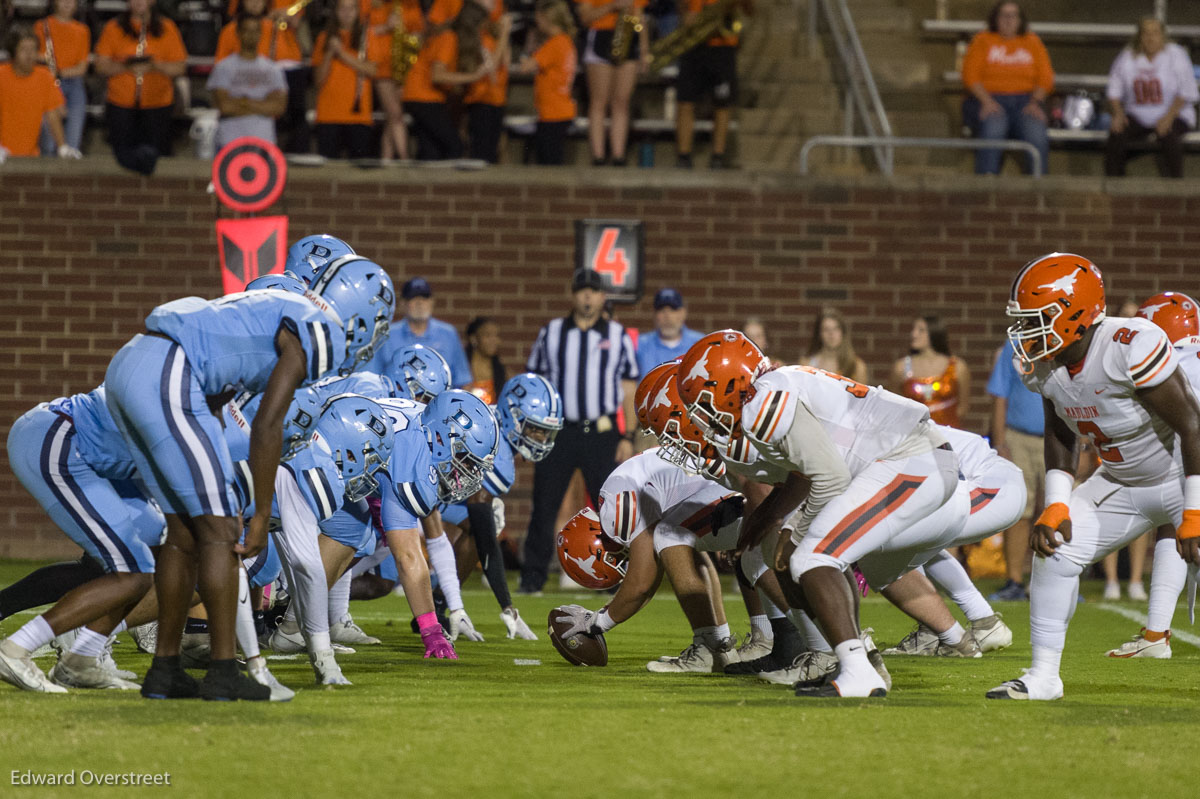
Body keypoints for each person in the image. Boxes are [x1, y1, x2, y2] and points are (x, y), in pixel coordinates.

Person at [677, 331, 966, 698]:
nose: (701, 419)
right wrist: (771, 515)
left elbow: (830, 476)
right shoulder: (773, 388)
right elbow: (806, 470)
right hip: (906, 461)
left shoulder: (763, 401)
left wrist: (791, 534)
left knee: (809, 555)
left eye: (702, 403)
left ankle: (858, 670)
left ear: (729, 383)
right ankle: (855, 662)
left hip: (912, 460)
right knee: (801, 555)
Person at [987, 253, 1198, 701]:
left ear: (1074, 313)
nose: (1026, 333)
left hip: (1182, 476)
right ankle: (1044, 676)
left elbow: (1193, 426)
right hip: (1123, 481)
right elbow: (1061, 433)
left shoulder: (1129, 343)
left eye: (1036, 319)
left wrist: (1194, 509)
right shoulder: (1044, 366)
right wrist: (1058, 503)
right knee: (1054, 549)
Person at [0, 386, 163, 693]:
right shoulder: (190, 388)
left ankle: (81, 655)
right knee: (133, 567)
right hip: (63, 439)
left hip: (102, 456)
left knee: (132, 555)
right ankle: (17, 649)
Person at [520, 268, 639, 593]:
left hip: (601, 434)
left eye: (594, 291)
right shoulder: (552, 332)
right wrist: (534, 430)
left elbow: (629, 389)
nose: (588, 296)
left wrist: (627, 436)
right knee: (544, 504)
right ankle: (532, 578)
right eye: (582, 290)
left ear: (603, 297)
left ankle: (614, 575)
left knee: (610, 507)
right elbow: (536, 385)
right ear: (573, 295)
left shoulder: (617, 336)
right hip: (559, 432)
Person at [93, 0, 187, 175]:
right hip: (121, 104)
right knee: (122, 155)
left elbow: (179, 67)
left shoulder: (167, 27)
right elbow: (100, 66)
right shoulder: (114, 27)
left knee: (158, 158)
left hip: (157, 104)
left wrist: (154, 66)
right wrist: (127, 66)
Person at [961, 1, 1052, 175]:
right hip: (990, 98)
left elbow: (1046, 78)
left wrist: (1035, 102)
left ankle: (1038, 190)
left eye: (1013, 15)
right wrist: (986, 101)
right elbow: (970, 76)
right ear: (996, 19)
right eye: (1004, 15)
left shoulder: (1032, 41)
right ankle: (986, 185)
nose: (1009, 20)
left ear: (1020, 20)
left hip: (1026, 101)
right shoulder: (982, 40)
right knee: (993, 130)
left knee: (1037, 135)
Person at [1104, 16, 1199, 179]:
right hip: (1138, 114)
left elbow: (1187, 90)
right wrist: (1118, 114)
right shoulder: (1127, 57)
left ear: (1162, 36)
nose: (1150, 38)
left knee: (1169, 135)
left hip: (1174, 113)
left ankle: (1177, 189)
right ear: (1139, 36)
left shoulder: (1175, 55)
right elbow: (1114, 89)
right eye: (1146, 33)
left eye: (1155, 33)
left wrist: (1169, 117)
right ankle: (1116, 190)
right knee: (1116, 135)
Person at [985, 339, 1043, 601]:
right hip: (1018, 436)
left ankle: (1051, 582)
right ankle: (1015, 581)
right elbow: (1000, 393)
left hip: (1059, 436)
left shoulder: (1067, 340)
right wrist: (999, 442)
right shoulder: (1015, 344)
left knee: (1057, 509)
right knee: (1020, 511)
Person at [214, 0, 307, 153]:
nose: (256, 3)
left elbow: (279, 106)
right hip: (236, 123)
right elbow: (221, 80)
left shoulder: (280, 27)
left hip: (271, 105)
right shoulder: (230, 31)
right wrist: (257, 105)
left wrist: (246, 103)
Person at [674, 0, 750, 169]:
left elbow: (748, 10)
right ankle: (683, 157)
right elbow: (682, 8)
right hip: (694, 45)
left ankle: (717, 157)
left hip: (723, 47)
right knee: (685, 101)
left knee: (723, 104)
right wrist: (688, 14)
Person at [575, 0, 648, 165]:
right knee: (599, 101)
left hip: (629, 37)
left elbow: (639, 18)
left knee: (621, 102)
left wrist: (644, 49)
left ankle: (618, 156)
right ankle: (598, 156)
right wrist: (612, 6)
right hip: (600, 37)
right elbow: (585, 17)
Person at [312, 0, 384, 159]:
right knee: (328, 170)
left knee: (358, 176)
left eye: (351, 8)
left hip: (358, 116)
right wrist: (330, 53)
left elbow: (372, 70)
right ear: (335, 12)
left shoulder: (368, 36)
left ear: (358, 12)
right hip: (328, 115)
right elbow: (318, 81)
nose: (347, 13)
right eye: (342, 8)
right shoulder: (324, 38)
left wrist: (342, 53)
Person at [371, 277, 473, 388]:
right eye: (413, 298)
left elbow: (463, 380)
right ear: (403, 303)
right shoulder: (386, 334)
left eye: (424, 298)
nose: (419, 303)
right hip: (397, 402)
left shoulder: (448, 334)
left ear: (432, 302)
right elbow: (373, 378)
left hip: (440, 402)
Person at [206, 12, 288, 150]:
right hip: (229, 140)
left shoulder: (272, 69)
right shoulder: (224, 67)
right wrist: (262, 104)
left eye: (255, 31)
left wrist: (242, 101)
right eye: (246, 30)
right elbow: (225, 107)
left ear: (261, 33)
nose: (251, 36)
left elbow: (278, 107)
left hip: (263, 140)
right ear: (238, 33)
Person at [512, 0, 577, 165]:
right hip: (561, 109)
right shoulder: (566, 42)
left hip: (552, 113)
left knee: (549, 163)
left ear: (548, 19)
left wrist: (530, 46)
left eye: (539, 19)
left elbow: (525, 67)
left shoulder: (554, 44)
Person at [0, 26, 75, 161]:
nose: (29, 55)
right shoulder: (1, 75)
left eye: (33, 50)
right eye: (23, 49)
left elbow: (53, 113)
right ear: (13, 52)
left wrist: (62, 147)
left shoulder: (44, 76)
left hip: (31, 155)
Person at [891, 315, 970, 428]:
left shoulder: (958, 367)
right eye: (913, 329)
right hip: (913, 437)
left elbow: (963, 407)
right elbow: (894, 404)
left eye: (921, 330)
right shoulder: (900, 367)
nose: (914, 334)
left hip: (948, 434)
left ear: (935, 333)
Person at [35, 0, 90, 156]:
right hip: (48, 83)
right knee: (48, 140)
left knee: (73, 140)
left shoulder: (82, 30)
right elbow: (35, 54)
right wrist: (47, 66)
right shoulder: (41, 26)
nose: (67, 3)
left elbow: (82, 67)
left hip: (73, 85)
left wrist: (59, 72)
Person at [463, 5, 510, 163]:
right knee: (481, 153)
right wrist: (504, 33)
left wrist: (503, 36)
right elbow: (493, 64)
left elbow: (505, 62)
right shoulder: (477, 39)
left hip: (497, 98)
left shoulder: (491, 37)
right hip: (481, 99)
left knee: (492, 152)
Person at [635, 287, 703, 376]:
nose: (667, 316)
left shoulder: (699, 344)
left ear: (683, 313)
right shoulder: (639, 345)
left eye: (673, 310)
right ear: (654, 314)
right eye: (662, 310)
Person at [803, 307, 867, 383]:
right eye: (826, 329)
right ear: (818, 334)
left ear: (843, 332)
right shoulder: (806, 364)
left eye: (836, 328)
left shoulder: (856, 366)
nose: (831, 334)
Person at [464, 316, 505, 404]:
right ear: (473, 339)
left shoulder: (502, 370)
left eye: (496, 335)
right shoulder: (462, 368)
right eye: (488, 335)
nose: (494, 340)